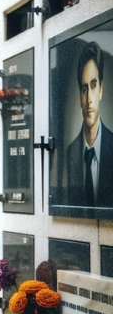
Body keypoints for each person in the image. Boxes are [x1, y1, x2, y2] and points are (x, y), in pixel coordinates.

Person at [65, 41, 113, 208]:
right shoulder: (71, 152)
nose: (89, 100)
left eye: (93, 85)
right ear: (80, 96)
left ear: (101, 89)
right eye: (84, 89)